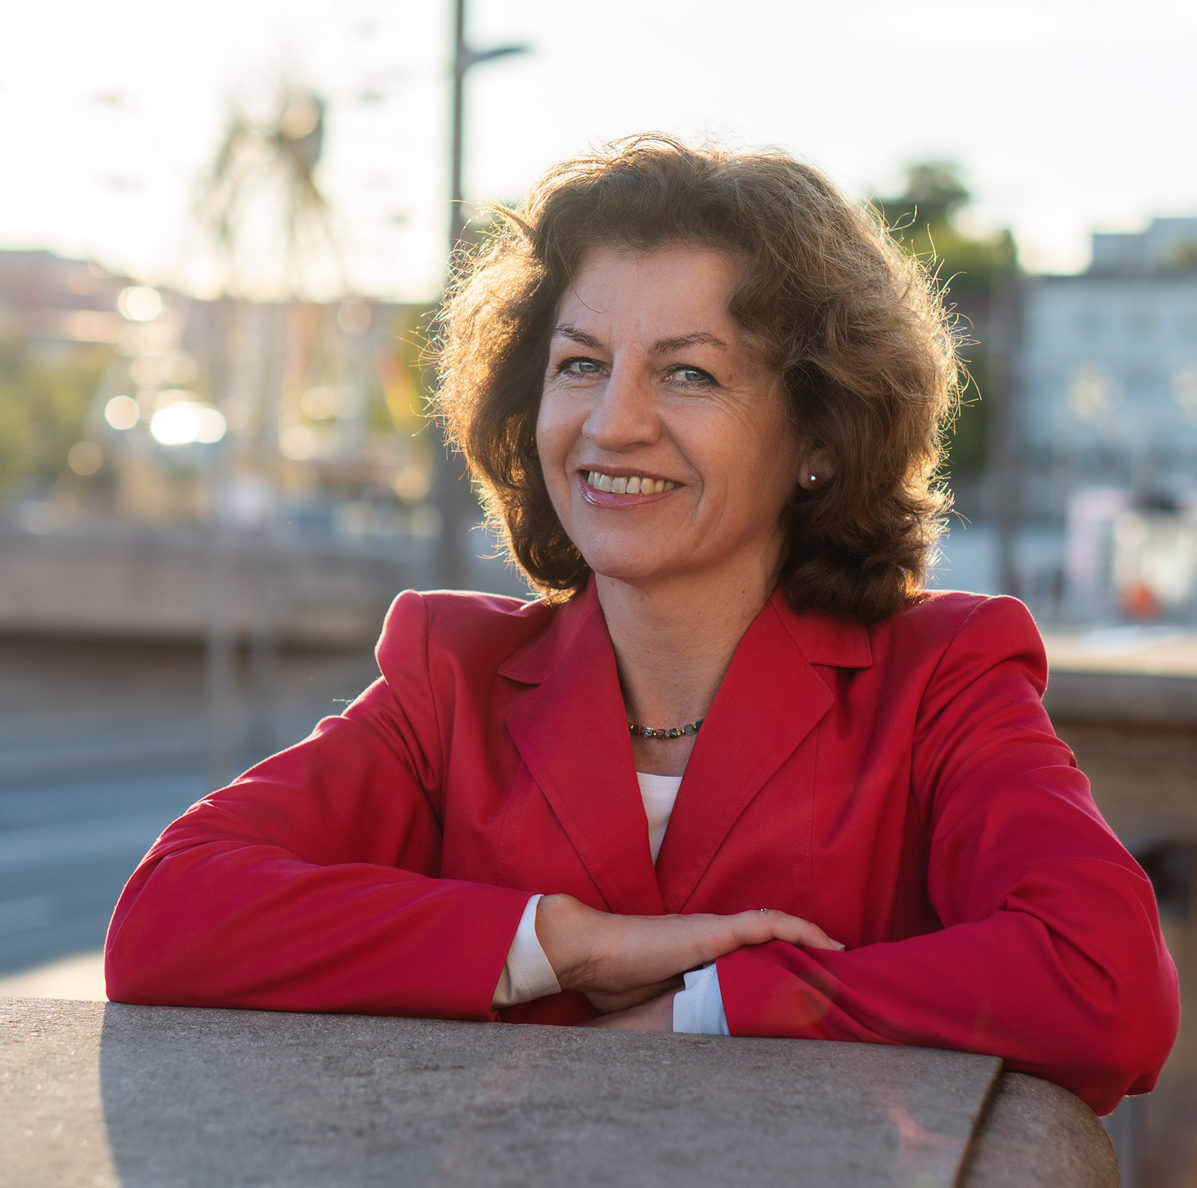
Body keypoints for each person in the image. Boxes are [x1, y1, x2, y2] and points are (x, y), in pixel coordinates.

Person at [105, 135, 1178, 1117]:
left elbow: (1105, 983)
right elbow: (167, 918)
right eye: (581, 364)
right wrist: (558, 945)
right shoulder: (452, 678)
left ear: (818, 433)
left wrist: (715, 1006)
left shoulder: (940, 678)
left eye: (689, 372)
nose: (613, 422)